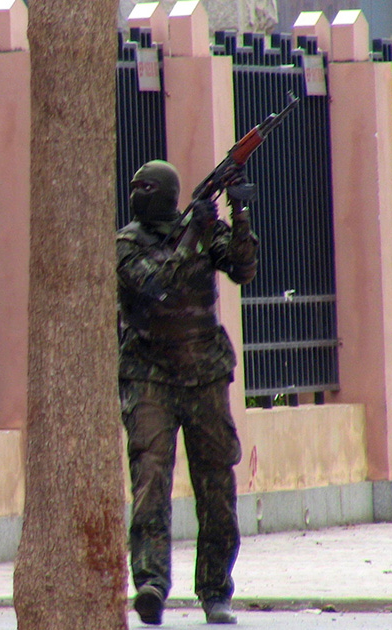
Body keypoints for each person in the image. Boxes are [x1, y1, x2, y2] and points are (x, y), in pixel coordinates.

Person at [117, 159, 259, 626]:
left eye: (147, 186)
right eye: (135, 186)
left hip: (205, 375)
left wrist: (238, 214)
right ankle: (152, 583)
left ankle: (216, 590)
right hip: (149, 376)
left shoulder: (199, 228)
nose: (138, 193)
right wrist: (195, 233)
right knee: (150, 481)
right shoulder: (125, 243)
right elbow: (158, 286)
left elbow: (243, 269)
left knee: (216, 485)